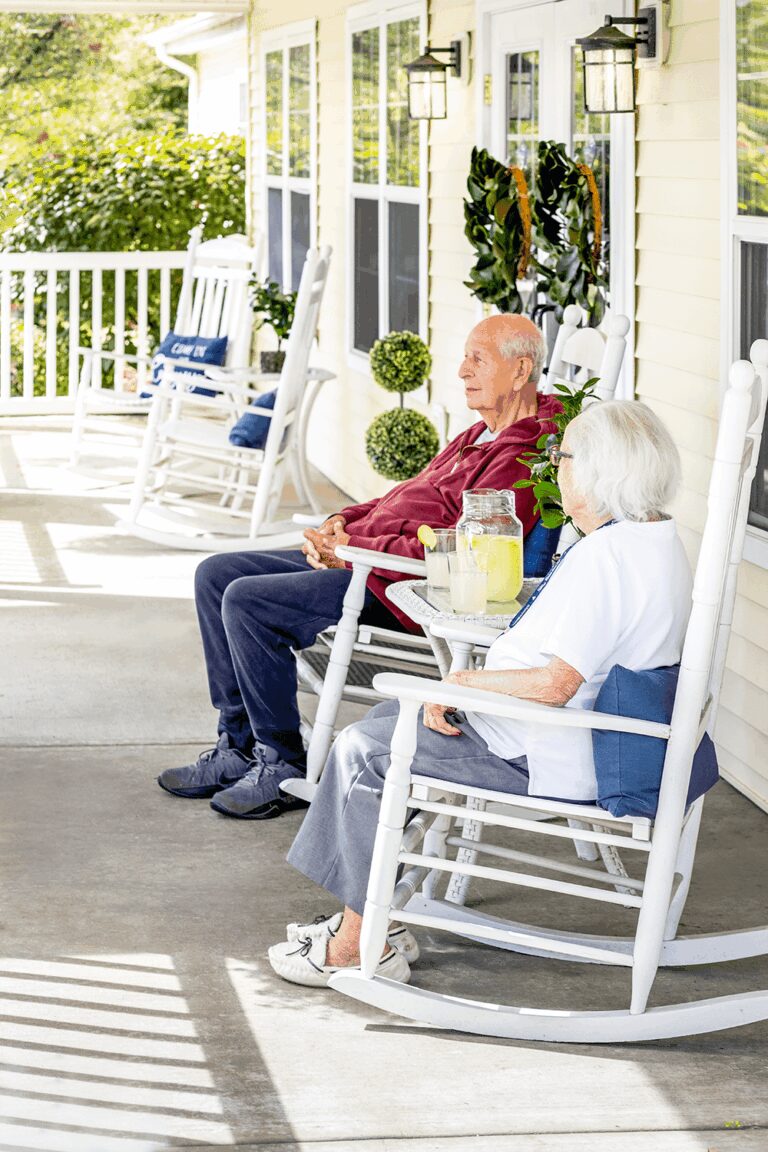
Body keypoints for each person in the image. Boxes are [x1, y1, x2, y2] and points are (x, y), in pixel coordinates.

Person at [267, 399, 693, 987]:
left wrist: (462, 683)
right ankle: (372, 919)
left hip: (545, 746)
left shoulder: (608, 557)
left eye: (562, 456)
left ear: (598, 472)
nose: (555, 466)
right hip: (569, 735)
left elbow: (555, 685)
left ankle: (352, 944)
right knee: (394, 721)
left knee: (364, 751)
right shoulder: (653, 541)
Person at [158, 314, 559, 820]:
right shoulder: (478, 435)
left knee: (248, 600)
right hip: (367, 558)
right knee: (215, 574)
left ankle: (280, 761)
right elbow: (402, 500)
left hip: (404, 584)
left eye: (477, 359)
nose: (461, 370)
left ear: (521, 370)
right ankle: (237, 746)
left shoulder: (523, 453)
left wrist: (351, 545)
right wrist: (340, 521)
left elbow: (462, 551)